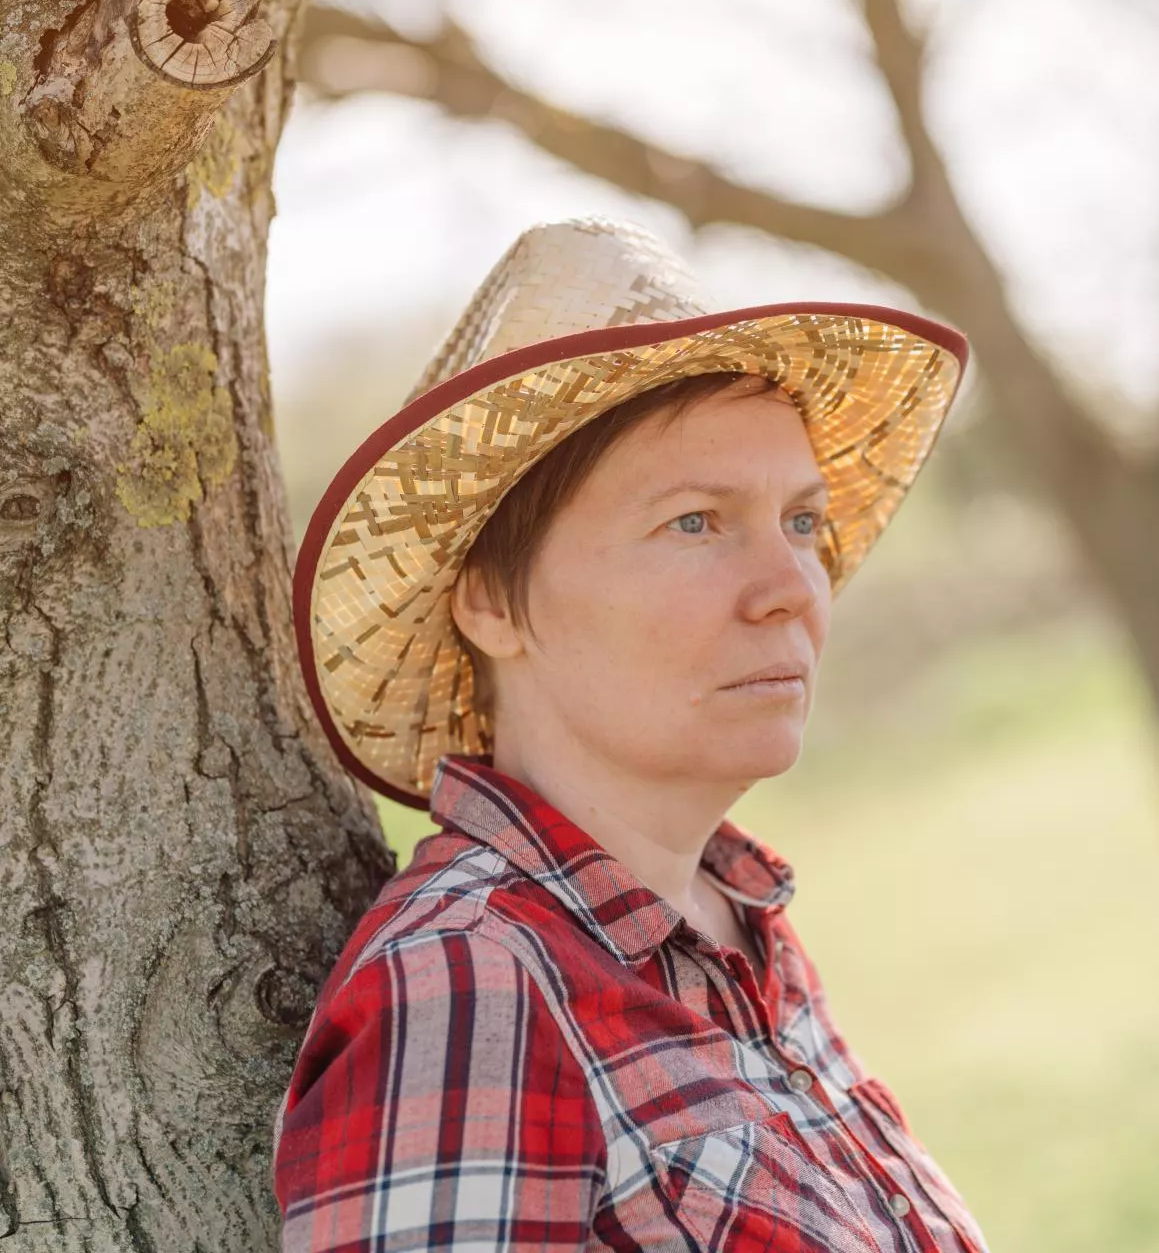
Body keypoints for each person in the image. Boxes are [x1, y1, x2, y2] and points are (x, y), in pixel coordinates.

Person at [274, 216, 989, 1252]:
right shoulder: (472, 988)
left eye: (800, 521)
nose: (793, 588)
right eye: (695, 521)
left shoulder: (743, 939)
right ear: (491, 603)